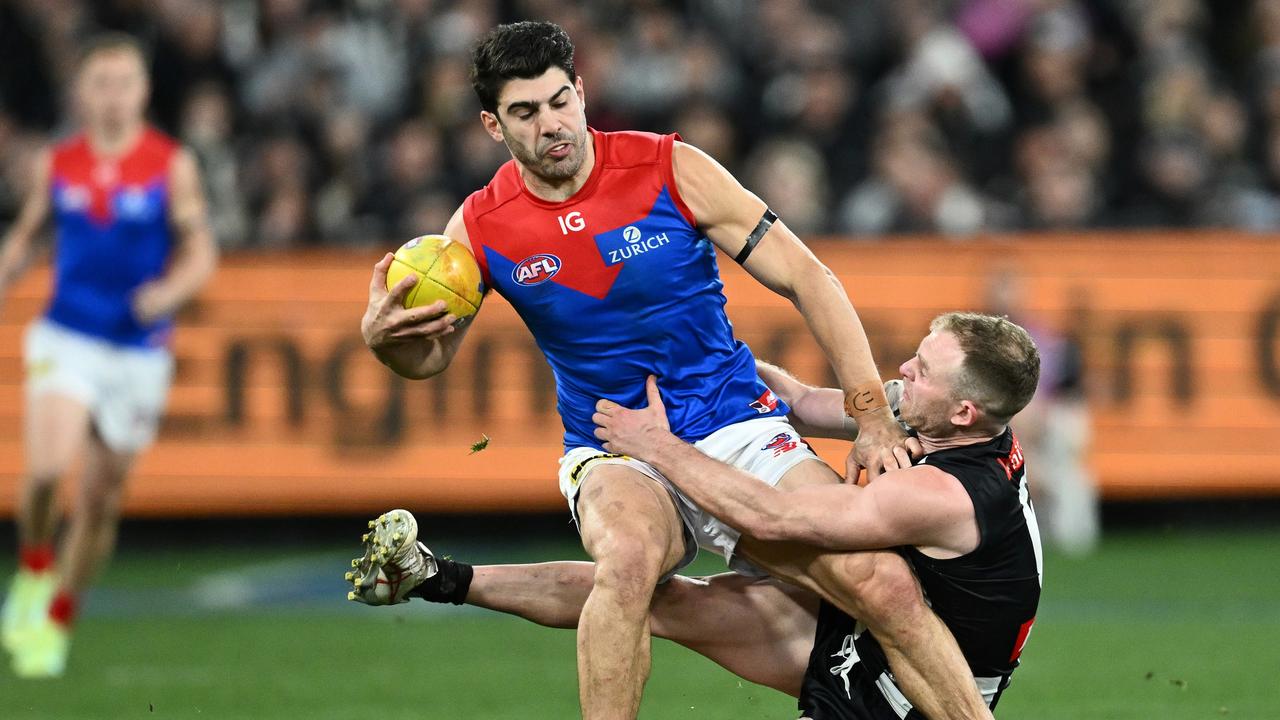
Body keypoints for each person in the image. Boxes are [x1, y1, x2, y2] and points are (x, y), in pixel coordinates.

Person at [359, 20, 979, 720]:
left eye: (561, 101)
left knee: (882, 585)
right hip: (615, 445)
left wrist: (870, 414)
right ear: (493, 125)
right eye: (525, 113)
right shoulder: (478, 226)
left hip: (735, 423)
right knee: (624, 564)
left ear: (583, 92)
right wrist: (386, 341)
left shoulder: (669, 167)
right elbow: (430, 357)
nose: (552, 124)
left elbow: (809, 277)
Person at [351, 312, 1043, 719]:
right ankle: (436, 576)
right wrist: (714, 369)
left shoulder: (947, 495)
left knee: (871, 579)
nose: (900, 371)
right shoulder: (940, 417)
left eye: (920, 370)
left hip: (909, 694)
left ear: (964, 413)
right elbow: (801, 402)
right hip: (869, 636)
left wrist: (658, 444)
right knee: (650, 593)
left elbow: (770, 517)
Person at [0, 33, 217, 678]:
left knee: (99, 500)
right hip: (67, 334)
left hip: (138, 351)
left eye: (125, 82)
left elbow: (201, 249)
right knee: (45, 469)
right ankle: (36, 570)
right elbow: (28, 236)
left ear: (143, 91)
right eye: (101, 82)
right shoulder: (58, 162)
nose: (113, 95)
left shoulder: (169, 163)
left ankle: (60, 615)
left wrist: (171, 291)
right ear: (82, 92)